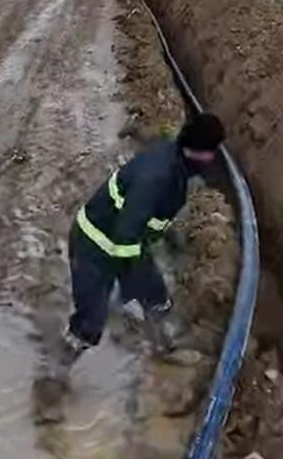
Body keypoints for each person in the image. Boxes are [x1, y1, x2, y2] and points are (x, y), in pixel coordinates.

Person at [62, 112, 225, 365]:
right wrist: (132, 284)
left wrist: (165, 239)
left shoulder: (175, 159)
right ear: (201, 153)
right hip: (93, 247)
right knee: (90, 323)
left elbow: (144, 220)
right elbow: (125, 238)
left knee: (157, 298)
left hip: (128, 241)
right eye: (212, 152)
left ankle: (163, 345)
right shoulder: (157, 179)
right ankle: (57, 373)